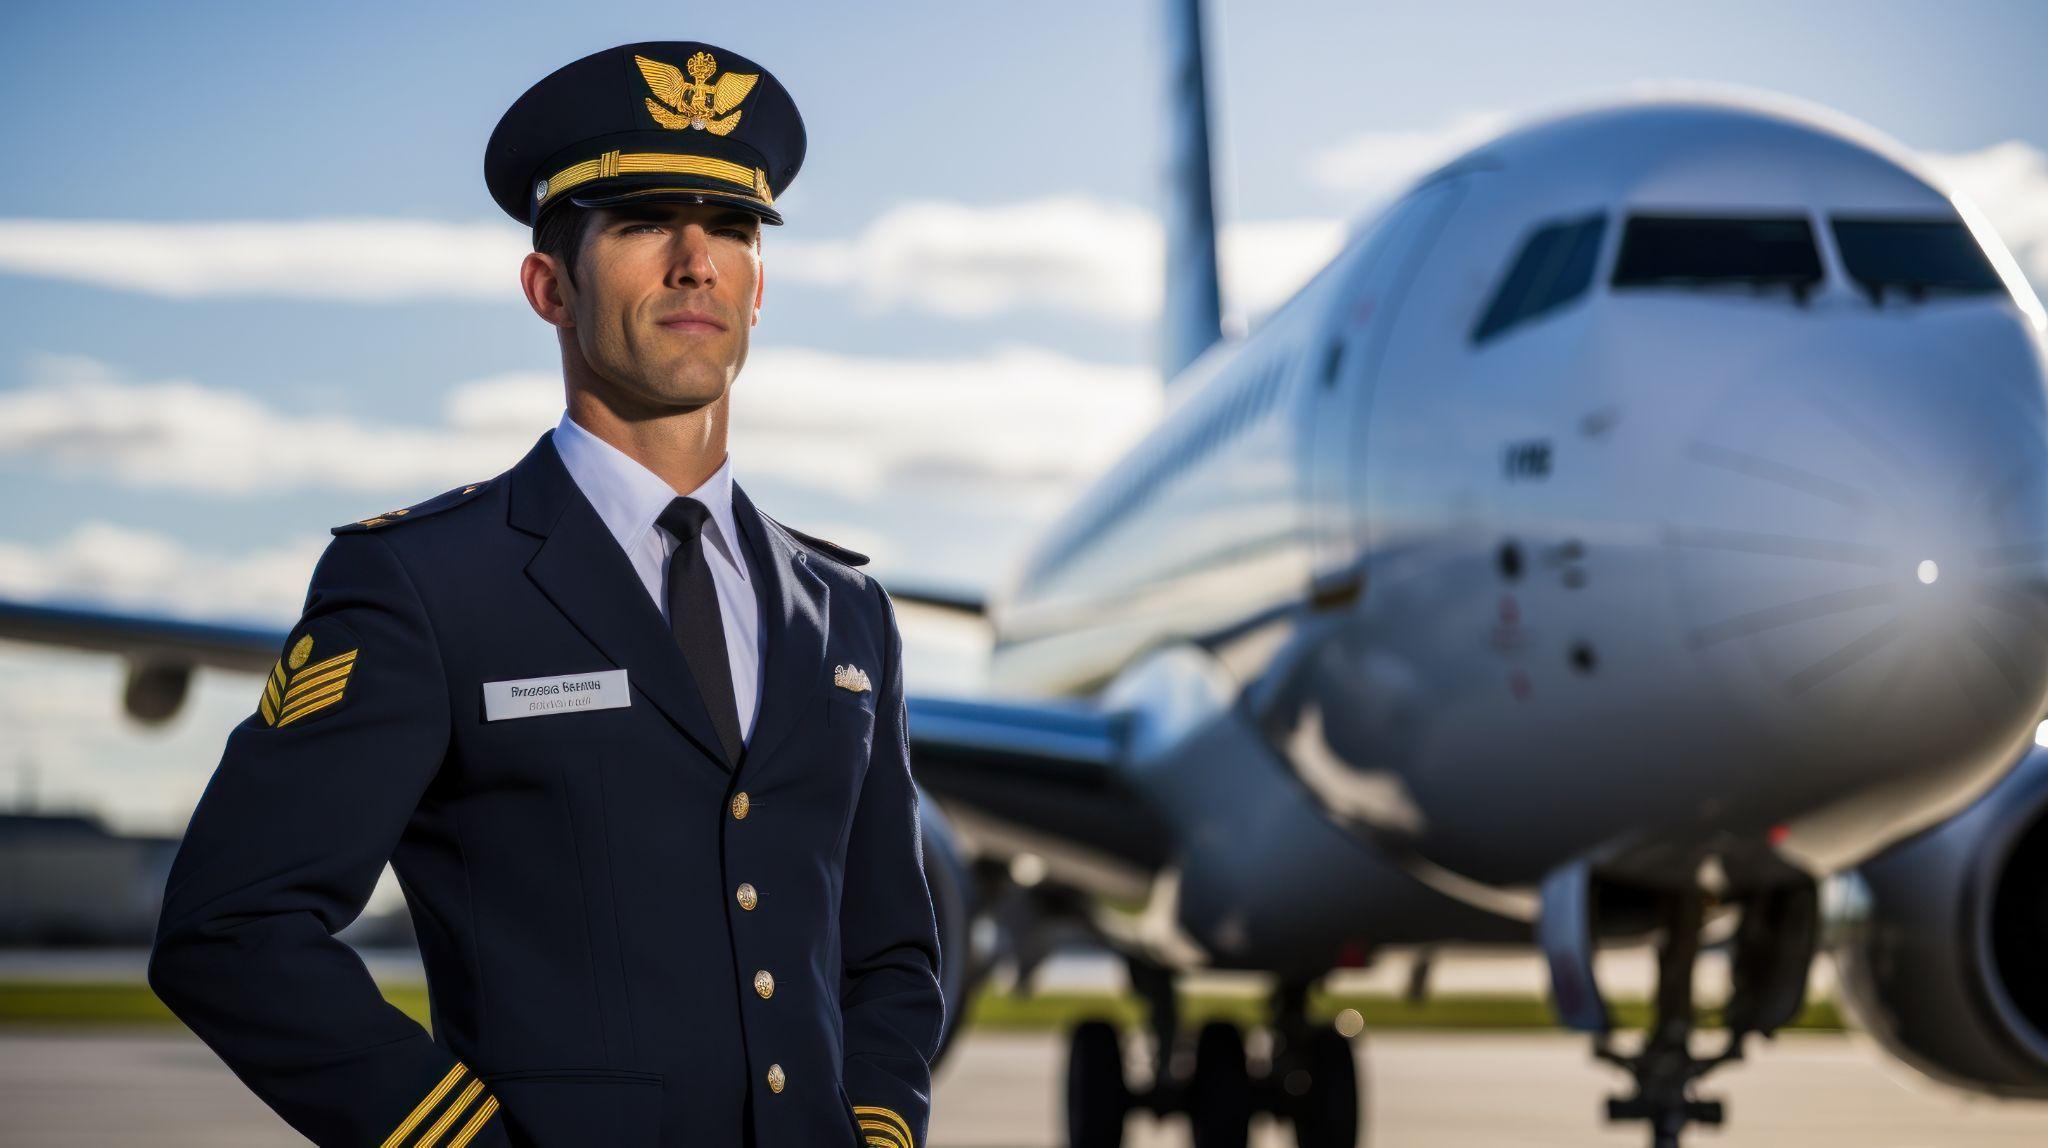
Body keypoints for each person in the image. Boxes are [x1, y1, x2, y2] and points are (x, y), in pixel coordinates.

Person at [146, 40, 944, 1148]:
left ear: (760, 284)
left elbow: (889, 952)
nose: (693, 261)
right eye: (639, 223)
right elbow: (231, 925)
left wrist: (869, 1129)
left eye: (730, 227)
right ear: (547, 286)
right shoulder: (427, 582)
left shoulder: (847, 610)